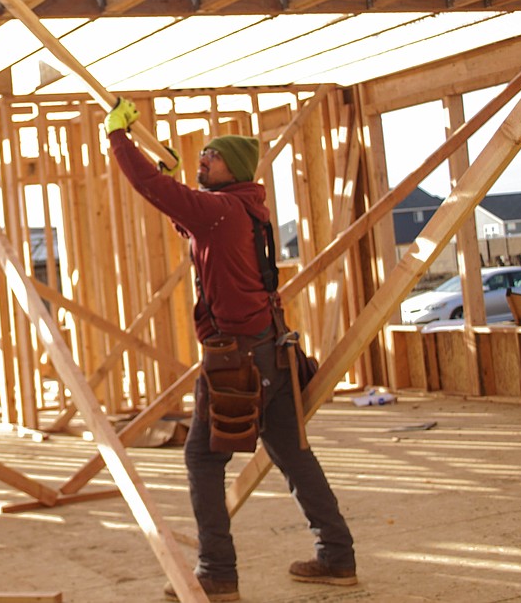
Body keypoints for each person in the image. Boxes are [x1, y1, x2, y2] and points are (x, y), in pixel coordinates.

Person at [102, 98, 356, 602]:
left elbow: (155, 192)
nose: (202, 161)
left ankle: (217, 573)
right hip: (270, 350)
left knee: (202, 458)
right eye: (201, 156)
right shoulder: (240, 210)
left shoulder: (221, 212)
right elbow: (189, 222)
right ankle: (337, 555)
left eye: (211, 158)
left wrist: (118, 139)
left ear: (233, 169)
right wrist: (173, 177)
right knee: (291, 451)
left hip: (238, 358)